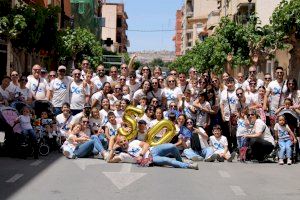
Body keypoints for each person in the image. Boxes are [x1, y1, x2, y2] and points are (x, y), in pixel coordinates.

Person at [107, 135, 199, 170]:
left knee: (172, 146)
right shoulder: (122, 155)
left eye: (124, 140)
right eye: (121, 142)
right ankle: (188, 166)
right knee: (167, 161)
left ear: (127, 140)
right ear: (118, 144)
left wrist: (141, 154)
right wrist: (113, 149)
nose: (123, 143)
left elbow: (146, 145)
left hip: (153, 150)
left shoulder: (134, 142)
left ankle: (181, 161)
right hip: (151, 159)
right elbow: (109, 160)